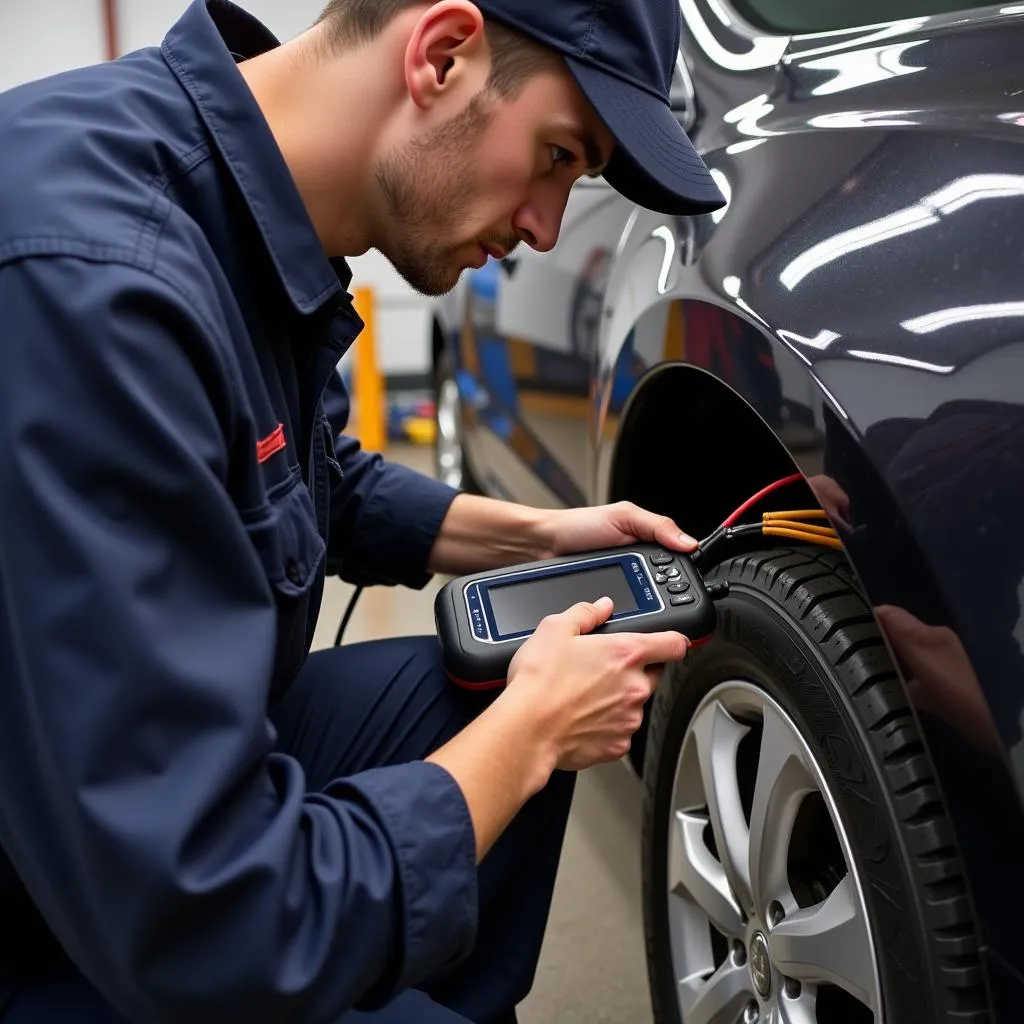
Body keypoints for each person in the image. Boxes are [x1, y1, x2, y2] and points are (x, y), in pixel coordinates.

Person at [0, 1, 725, 1021]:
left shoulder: (238, 210)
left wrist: (540, 535)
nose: (545, 229)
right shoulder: (97, 291)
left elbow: (307, 477)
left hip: (113, 811)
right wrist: (529, 733)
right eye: (557, 155)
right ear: (440, 55)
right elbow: (208, 921)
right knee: (523, 714)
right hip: (63, 908)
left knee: (495, 671)